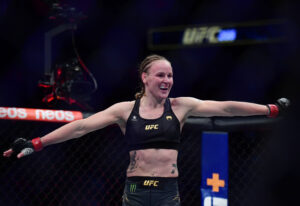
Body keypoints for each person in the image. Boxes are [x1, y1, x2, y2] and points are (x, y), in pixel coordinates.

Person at [3, 54, 289, 206]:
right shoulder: (125, 110)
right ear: (145, 78)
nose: (167, 80)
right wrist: (37, 142)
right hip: (136, 191)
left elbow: (225, 108)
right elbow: (80, 127)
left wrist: (269, 109)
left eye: (171, 75)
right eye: (161, 75)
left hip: (167, 191)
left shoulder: (181, 106)